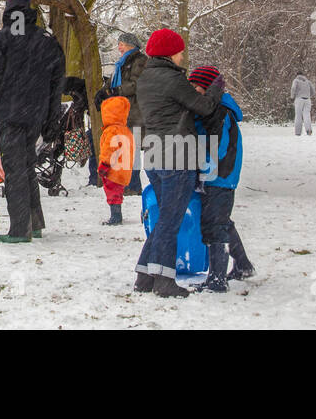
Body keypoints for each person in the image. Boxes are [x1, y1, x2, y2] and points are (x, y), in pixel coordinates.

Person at [0, 0, 66, 243]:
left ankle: (20, 228)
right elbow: (57, 85)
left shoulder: (2, 39)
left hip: (10, 113)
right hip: (36, 114)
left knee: (15, 170)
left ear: (8, 11)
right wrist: (52, 120)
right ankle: (35, 222)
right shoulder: (47, 40)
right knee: (27, 165)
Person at [132, 28, 222, 299]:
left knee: (164, 218)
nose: (183, 56)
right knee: (171, 220)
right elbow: (204, 107)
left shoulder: (145, 78)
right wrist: (216, 90)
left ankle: (145, 274)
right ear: (171, 52)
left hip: (154, 154)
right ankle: (164, 281)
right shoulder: (173, 80)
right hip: (177, 155)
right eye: (180, 51)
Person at [190, 65, 254, 290]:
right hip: (219, 175)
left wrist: (198, 167)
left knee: (215, 225)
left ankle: (217, 279)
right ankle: (243, 265)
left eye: (195, 86)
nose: (192, 90)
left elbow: (215, 148)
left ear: (206, 87)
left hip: (219, 175)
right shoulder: (213, 109)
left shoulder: (218, 112)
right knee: (222, 221)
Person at [95, 32, 145, 194]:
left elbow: (137, 84)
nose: (119, 47)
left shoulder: (139, 61)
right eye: (119, 44)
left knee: (132, 149)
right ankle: (125, 182)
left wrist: (116, 90)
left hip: (134, 112)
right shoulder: (120, 65)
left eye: (122, 44)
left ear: (131, 45)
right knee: (123, 148)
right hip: (121, 113)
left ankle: (133, 185)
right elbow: (110, 83)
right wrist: (102, 93)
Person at [97, 95, 134, 225]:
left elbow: (109, 149)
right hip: (124, 168)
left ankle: (116, 216)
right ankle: (117, 214)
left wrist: (104, 164)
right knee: (117, 191)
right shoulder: (126, 130)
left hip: (112, 169)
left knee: (112, 192)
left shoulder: (111, 131)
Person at [291, 71, 314, 136]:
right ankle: (308, 130)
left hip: (299, 99)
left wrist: (292, 96)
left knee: (298, 116)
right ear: (303, 75)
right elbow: (313, 91)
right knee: (307, 115)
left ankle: (298, 132)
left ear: (297, 75)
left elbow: (293, 88)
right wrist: (309, 95)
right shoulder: (308, 81)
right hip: (308, 100)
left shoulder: (296, 80)